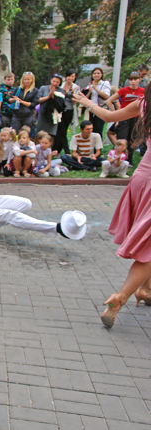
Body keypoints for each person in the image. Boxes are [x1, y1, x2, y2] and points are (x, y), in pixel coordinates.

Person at [73, 81, 151, 328]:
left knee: (148, 242)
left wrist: (87, 103)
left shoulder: (144, 103)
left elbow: (108, 115)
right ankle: (121, 297)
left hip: (142, 178)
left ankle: (145, 290)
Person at [105, 71, 145, 164]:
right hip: (124, 118)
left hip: (136, 118)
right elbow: (109, 101)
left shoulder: (143, 91)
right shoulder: (124, 90)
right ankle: (119, 159)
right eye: (131, 79)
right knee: (122, 138)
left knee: (132, 139)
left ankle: (128, 161)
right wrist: (116, 114)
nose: (133, 81)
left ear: (139, 80)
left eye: (135, 79)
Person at [54, 69, 80, 155]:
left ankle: (57, 150)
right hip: (60, 111)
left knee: (63, 131)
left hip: (69, 110)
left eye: (72, 76)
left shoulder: (76, 87)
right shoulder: (61, 86)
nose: (70, 78)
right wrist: (65, 93)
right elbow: (57, 97)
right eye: (69, 76)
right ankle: (66, 151)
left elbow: (75, 101)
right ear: (66, 76)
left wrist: (72, 95)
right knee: (61, 130)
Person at [35, 74, 66, 138]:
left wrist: (54, 97)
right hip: (43, 114)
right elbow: (38, 100)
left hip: (53, 115)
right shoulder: (43, 88)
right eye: (54, 81)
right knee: (40, 134)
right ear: (51, 80)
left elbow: (61, 104)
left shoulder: (61, 91)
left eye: (57, 82)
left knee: (51, 135)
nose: (55, 83)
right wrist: (48, 97)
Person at [85, 67, 112, 137]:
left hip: (101, 108)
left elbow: (106, 96)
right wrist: (90, 91)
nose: (96, 75)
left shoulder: (105, 83)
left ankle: (98, 147)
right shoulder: (89, 85)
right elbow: (85, 97)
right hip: (91, 110)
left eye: (98, 73)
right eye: (94, 73)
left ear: (101, 74)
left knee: (98, 130)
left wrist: (95, 88)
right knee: (91, 130)